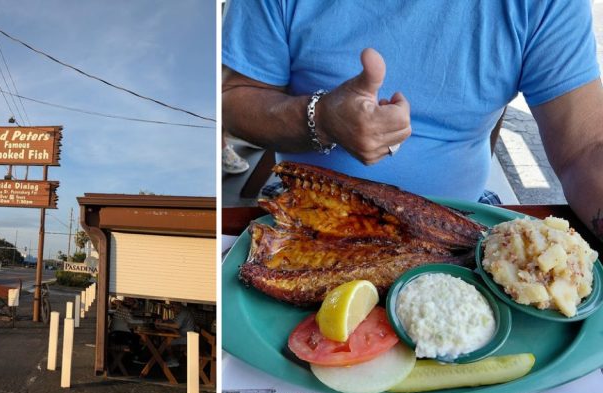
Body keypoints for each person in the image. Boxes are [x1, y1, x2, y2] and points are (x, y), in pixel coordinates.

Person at [222, 1, 603, 242]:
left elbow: (586, 146)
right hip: (306, 218)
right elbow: (234, 100)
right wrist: (322, 119)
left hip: (463, 218)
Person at [155, 302, 197, 367]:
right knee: (165, 339)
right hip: (183, 335)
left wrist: (162, 324)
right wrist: (163, 322)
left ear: (177, 305)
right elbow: (173, 322)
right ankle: (171, 357)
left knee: (166, 342)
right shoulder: (182, 312)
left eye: (173, 307)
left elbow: (176, 325)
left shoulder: (184, 313)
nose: (172, 310)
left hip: (187, 338)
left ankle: (173, 360)